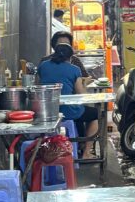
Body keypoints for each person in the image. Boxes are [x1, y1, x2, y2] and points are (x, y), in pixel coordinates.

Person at [36, 31, 99, 159]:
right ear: (70, 57)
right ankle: (86, 152)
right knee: (95, 114)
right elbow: (81, 95)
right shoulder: (74, 69)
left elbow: (38, 86)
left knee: (82, 114)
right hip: (67, 111)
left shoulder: (43, 65)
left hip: (45, 111)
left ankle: (77, 146)